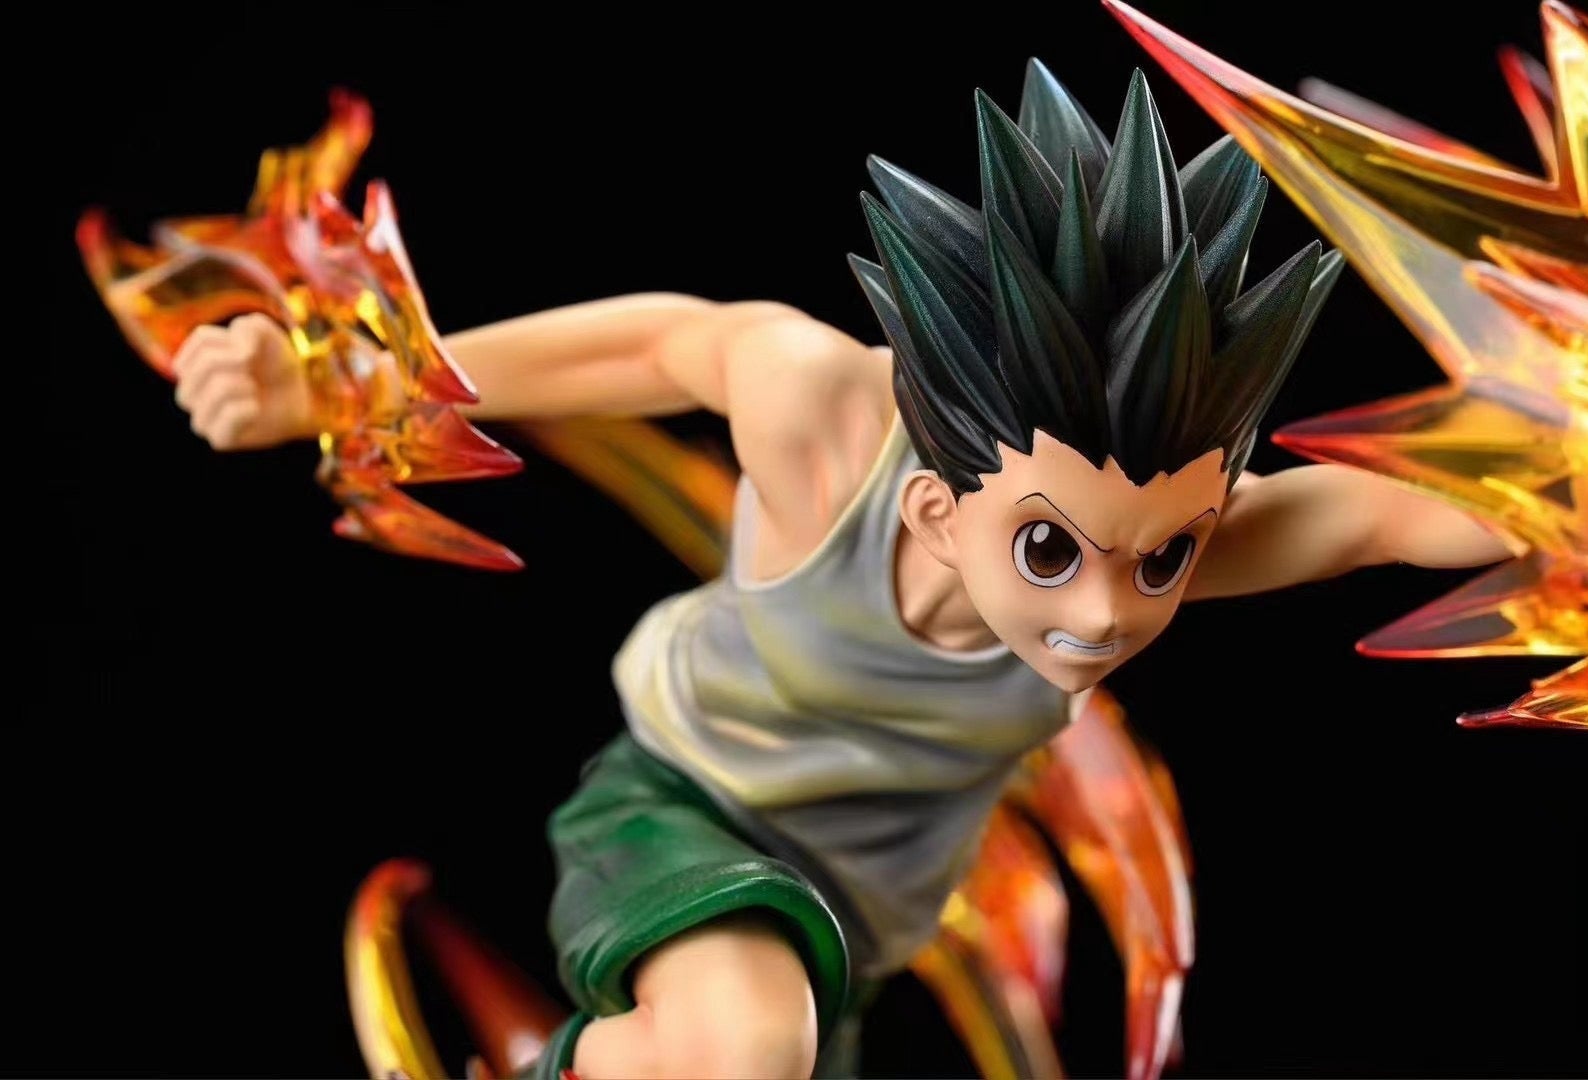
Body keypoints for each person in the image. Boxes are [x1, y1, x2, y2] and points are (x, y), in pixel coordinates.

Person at [163, 61, 1512, 1079]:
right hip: (679, 814)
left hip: (849, 941)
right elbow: (665, 345)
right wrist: (344, 386)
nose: (1108, 613)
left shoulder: (1152, 536)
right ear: (936, 507)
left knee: (772, 1043)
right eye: (1049, 550)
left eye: (1162, 559)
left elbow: (1384, 517)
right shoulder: (830, 431)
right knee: (750, 1046)